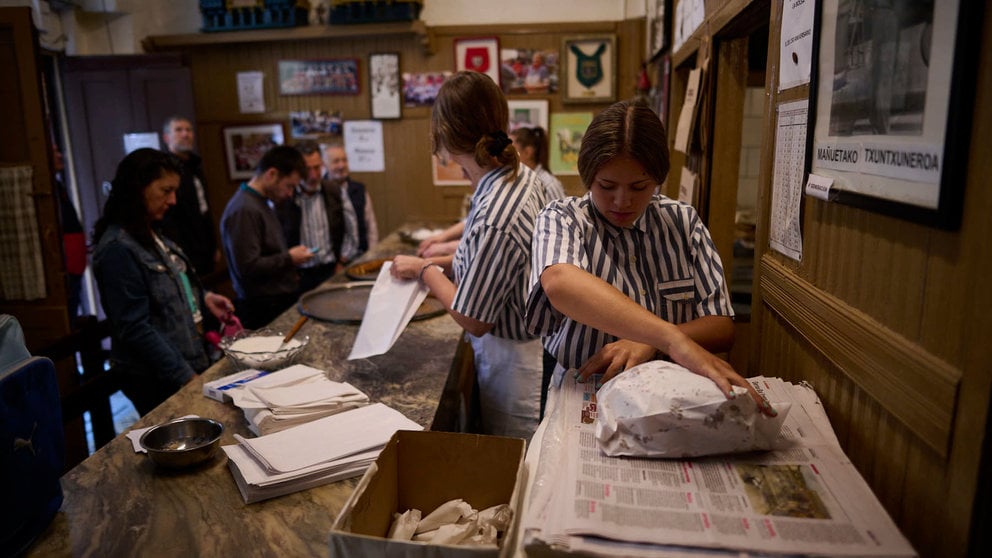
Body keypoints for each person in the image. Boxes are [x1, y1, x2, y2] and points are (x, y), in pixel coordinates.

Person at [526, 99, 774, 414]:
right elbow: (560, 283)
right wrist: (669, 337)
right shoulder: (563, 218)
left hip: (668, 394)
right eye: (607, 186)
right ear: (588, 177)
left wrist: (651, 342)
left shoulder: (682, 222)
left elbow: (722, 326)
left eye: (639, 186)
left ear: (657, 179)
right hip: (583, 387)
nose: (622, 200)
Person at [390, 71, 550, 440]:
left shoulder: (498, 210)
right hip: (520, 346)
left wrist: (427, 270)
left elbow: (475, 318)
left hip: (516, 358)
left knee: (513, 456)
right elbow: (491, 259)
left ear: (445, 135)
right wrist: (444, 258)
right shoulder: (515, 174)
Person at [92, 148, 235, 415]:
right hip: (157, 376)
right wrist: (186, 376)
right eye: (165, 191)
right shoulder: (117, 248)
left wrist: (203, 297)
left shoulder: (152, 231)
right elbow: (135, 328)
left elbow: (168, 283)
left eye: (174, 191)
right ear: (138, 188)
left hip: (187, 360)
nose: (173, 200)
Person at [220, 145, 314, 330]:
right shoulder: (244, 209)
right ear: (271, 174)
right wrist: (289, 258)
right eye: (289, 186)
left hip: (276, 301)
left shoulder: (261, 202)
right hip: (262, 307)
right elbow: (247, 266)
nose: (289, 194)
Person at [275, 140, 346, 293]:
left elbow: (342, 227)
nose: (313, 176)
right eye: (307, 169)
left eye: (317, 168)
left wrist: (340, 261)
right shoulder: (285, 197)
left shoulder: (332, 190)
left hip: (330, 269)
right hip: (299, 275)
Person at [159, 116, 219, 277]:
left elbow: (204, 208)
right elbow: (167, 217)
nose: (185, 134)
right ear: (166, 137)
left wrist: (213, 245)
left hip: (204, 247)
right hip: (182, 247)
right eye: (179, 130)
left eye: (189, 130)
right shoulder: (165, 171)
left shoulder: (195, 167)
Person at [323, 143, 378, 264]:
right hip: (334, 263)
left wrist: (372, 254)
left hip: (361, 256)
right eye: (336, 161)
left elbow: (371, 226)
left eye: (344, 160)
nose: (341, 165)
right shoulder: (320, 193)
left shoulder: (359, 189)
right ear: (325, 165)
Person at [511, 126, 566, 201]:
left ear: (528, 152)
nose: (507, 156)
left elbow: (563, 212)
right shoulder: (519, 180)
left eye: (512, 151)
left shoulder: (549, 185)